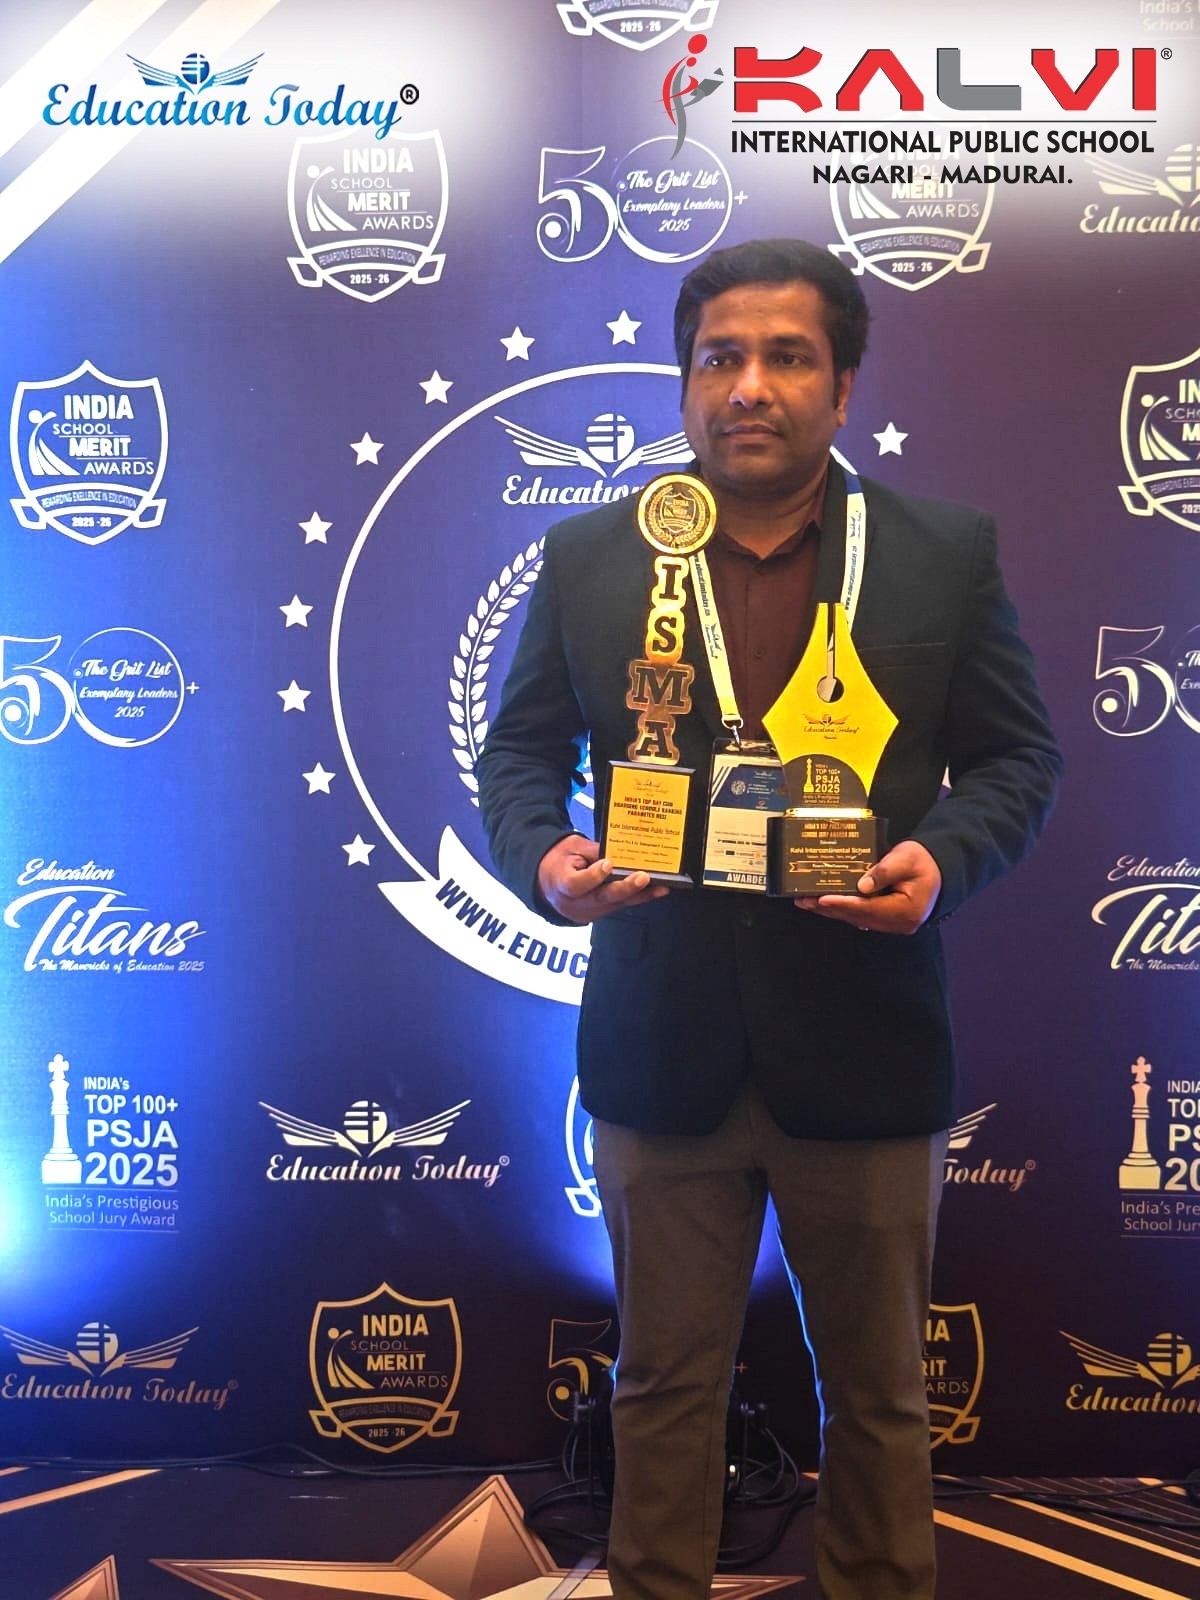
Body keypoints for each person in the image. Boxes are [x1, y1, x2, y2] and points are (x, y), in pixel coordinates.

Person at [477, 238, 1061, 1600]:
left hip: (864, 1040)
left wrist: (939, 862)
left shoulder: (939, 555)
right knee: (661, 1387)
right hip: (661, 1042)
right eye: (720, 358)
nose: (750, 385)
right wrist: (547, 860)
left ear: (842, 388)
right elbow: (518, 757)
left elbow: (1018, 760)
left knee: (881, 1399)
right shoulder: (590, 556)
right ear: (686, 386)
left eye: (788, 357)